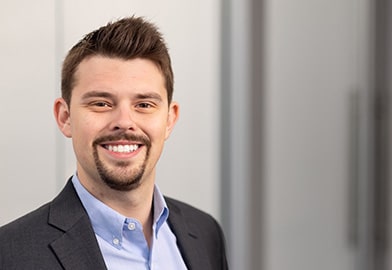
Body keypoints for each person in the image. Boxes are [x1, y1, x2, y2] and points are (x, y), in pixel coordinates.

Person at [0, 16, 228, 270]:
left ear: (169, 119)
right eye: (101, 103)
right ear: (65, 117)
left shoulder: (205, 233)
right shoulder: (10, 254)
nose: (124, 122)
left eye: (144, 105)